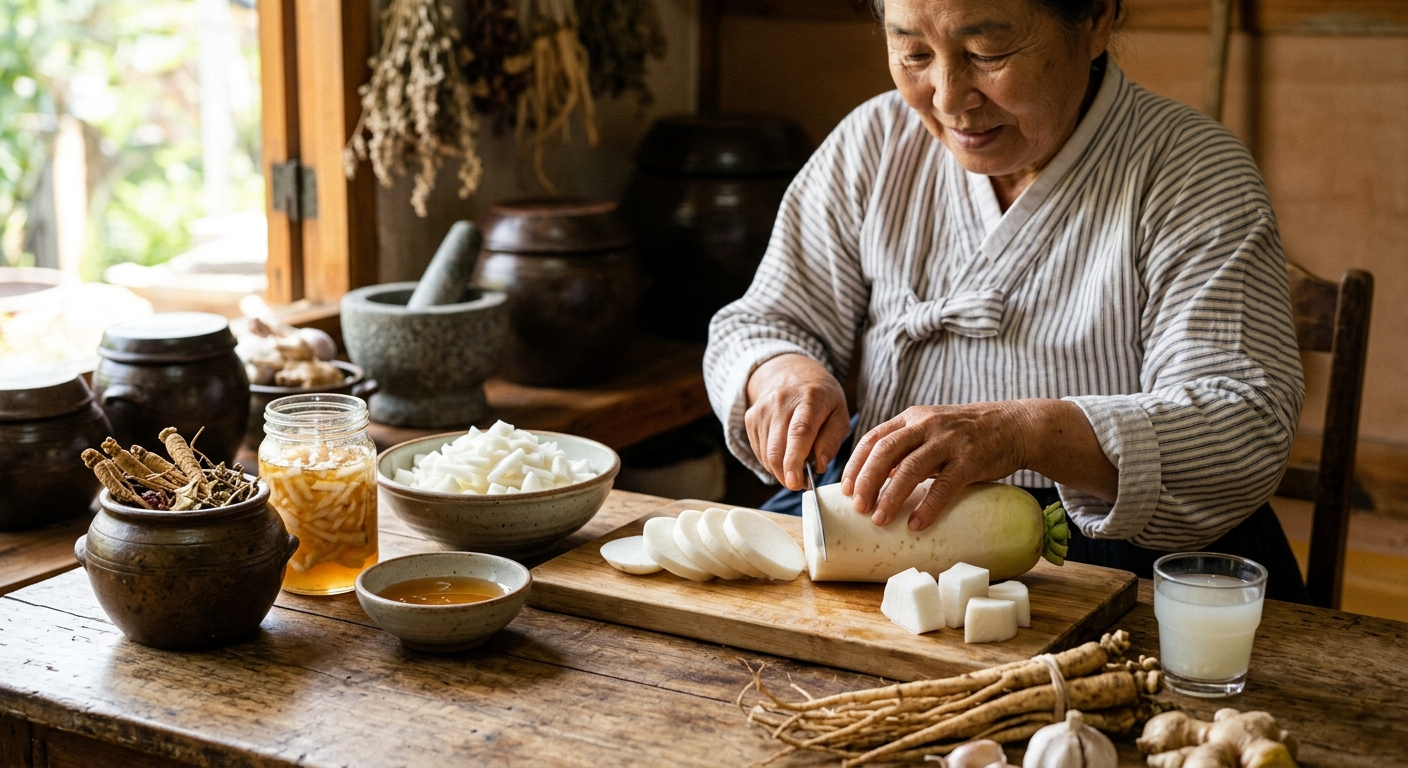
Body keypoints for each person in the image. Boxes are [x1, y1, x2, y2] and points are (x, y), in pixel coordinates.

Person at [703, 0, 1309, 602]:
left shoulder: (1192, 173)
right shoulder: (876, 142)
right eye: (913, 52)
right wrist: (782, 372)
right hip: (879, 523)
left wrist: (1028, 433)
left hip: (1111, 550)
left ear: (1095, 19)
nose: (946, 97)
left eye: (985, 53)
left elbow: (1242, 422)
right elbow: (763, 320)